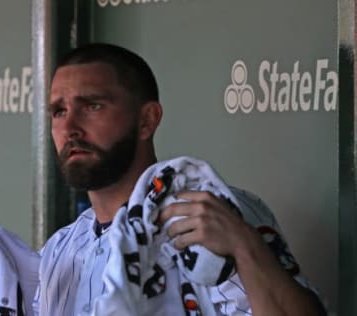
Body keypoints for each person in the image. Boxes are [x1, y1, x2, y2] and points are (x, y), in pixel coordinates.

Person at [34, 43, 325, 315]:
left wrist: (243, 245)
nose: (69, 127)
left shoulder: (209, 212)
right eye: (59, 111)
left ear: (147, 120)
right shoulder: (59, 248)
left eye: (92, 106)